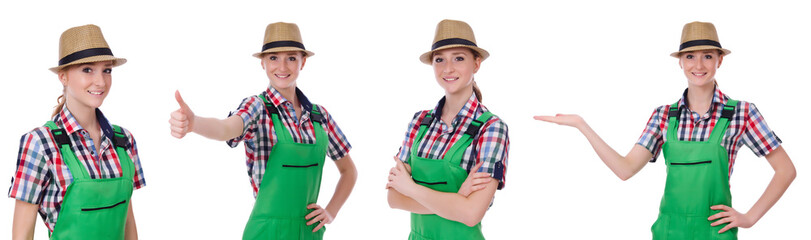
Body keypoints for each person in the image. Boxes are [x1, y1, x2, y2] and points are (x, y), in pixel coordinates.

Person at [535, 21, 796, 239]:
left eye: (707, 56)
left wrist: (749, 217)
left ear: (720, 60)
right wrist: (583, 125)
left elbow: (786, 170)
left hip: (715, 232)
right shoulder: (664, 116)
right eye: (690, 56)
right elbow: (625, 169)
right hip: (668, 231)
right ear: (680, 62)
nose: (699, 65)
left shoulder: (742, 112)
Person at [169, 22, 357, 240]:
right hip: (266, 233)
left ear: (303, 62)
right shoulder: (257, 108)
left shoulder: (320, 116)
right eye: (273, 58)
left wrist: (331, 212)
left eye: (291, 58)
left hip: (309, 233)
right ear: (263, 63)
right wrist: (195, 123)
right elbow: (226, 127)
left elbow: (349, 171)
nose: (283, 67)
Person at [10, 24, 146, 240]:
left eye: (107, 70)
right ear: (63, 77)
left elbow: (127, 222)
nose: (100, 81)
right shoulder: (40, 143)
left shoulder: (124, 141)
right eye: (87, 69)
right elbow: (22, 235)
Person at [386, 19, 509, 240]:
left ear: (477, 64)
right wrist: (456, 198)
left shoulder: (491, 128)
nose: (448, 68)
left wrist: (411, 188)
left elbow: (471, 214)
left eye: (459, 58)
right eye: (439, 59)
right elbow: (394, 199)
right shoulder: (420, 122)